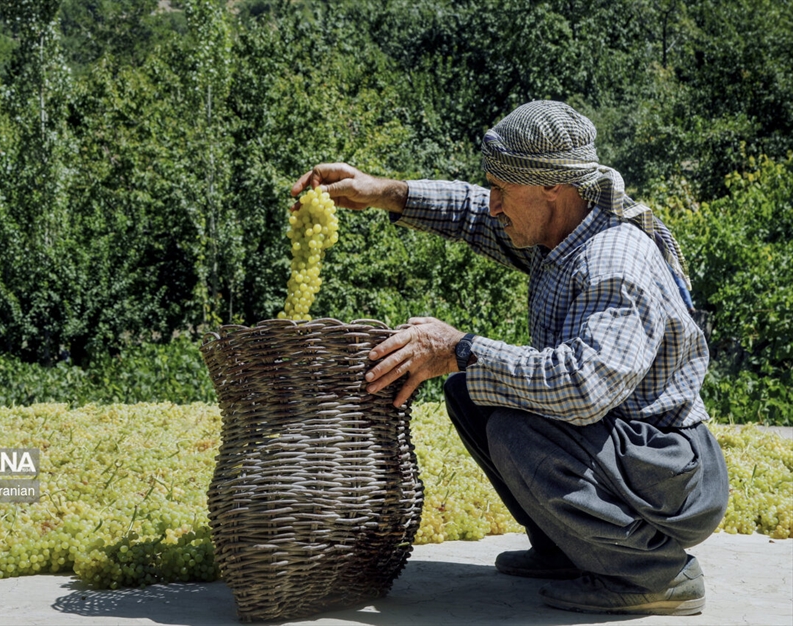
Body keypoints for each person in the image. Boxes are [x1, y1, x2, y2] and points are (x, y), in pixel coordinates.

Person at [290, 100, 729, 616]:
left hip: (668, 470)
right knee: (471, 392)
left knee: (515, 429)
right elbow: (471, 214)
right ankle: (571, 549)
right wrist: (384, 192)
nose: (493, 204)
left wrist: (461, 349)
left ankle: (655, 575)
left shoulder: (613, 263)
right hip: (624, 449)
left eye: (502, 189)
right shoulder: (559, 230)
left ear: (552, 186)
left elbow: (584, 388)